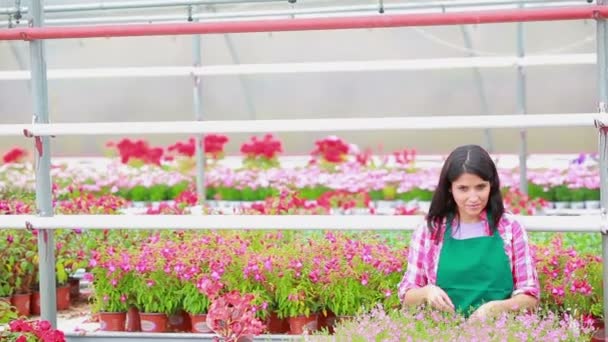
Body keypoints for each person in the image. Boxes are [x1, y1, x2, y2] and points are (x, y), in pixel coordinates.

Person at [397, 144, 540, 319]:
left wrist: (496, 309)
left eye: (480, 187)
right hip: (442, 333)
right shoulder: (430, 230)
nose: (473, 198)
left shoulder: (510, 228)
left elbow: (530, 297)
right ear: (450, 188)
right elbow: (407, 297)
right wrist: (427, 292)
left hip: (499, 333)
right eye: (463, 188)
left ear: (491, 185)